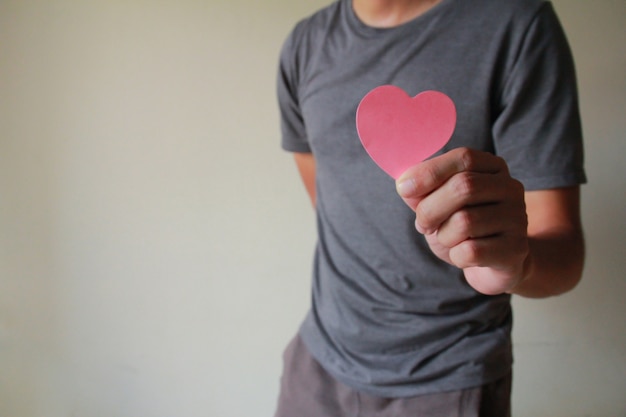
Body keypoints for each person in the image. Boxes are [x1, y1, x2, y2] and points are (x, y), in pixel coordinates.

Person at [274, 0, 586, 415]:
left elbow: (563, 252)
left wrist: (517, 264)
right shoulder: (304, 45)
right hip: (317, 366)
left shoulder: (518, 23)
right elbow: (330, 203)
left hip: (450, 379)